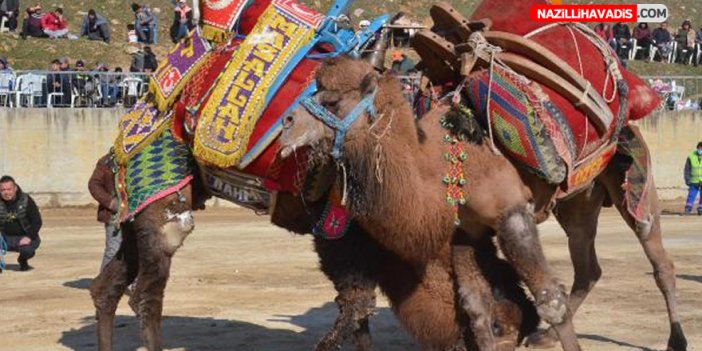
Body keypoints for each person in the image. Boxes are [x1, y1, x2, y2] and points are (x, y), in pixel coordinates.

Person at [0, 176, 42, 272]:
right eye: (3, 190)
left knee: (27, 250)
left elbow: (37, 221)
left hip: (24, 237)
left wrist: (29, 236)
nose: (6, 192)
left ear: (15, 188)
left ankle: (22, 260)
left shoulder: (26, 200)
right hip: (5, 238)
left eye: (9, 189)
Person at [88, 153, 121, 270]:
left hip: (139, 214)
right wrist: (111, 202)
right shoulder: (108, 160)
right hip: (115, 214)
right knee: (113, 250)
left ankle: (134, 284)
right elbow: (94, 184)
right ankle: (104, 285)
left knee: (138, 250)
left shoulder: (143, 157)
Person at [683, 142, 702, 215]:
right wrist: (687, 179)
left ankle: (700, 209)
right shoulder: (691, 156)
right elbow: (687, 169)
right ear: (697, 148)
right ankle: (688, 208)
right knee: (691, 194)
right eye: (699, 148)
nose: (700, 150)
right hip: (694, 180)